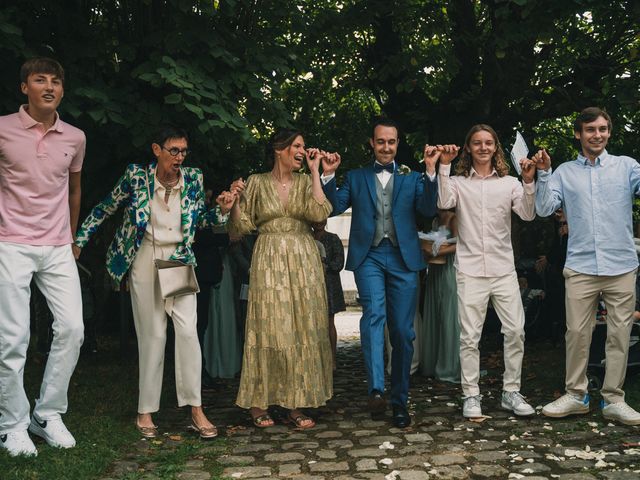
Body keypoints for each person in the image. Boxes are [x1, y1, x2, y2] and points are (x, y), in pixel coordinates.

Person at [74, 126, 234, 439]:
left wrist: (222, 212)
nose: (179, 157)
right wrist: (80, 239)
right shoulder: (136, 177)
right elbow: (106, 206)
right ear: (156, 150)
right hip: (144, 256)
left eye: (184, 151)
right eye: (173, 150)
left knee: (188, 331)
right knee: (153, 335)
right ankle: (145, 411)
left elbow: (201, 220)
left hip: (178, 258)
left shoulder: (193, 179)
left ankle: (196, 408)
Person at [320, 117, 441, 428]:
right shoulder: (357, 177)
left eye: (392, 141)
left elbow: (428, 210)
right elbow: (333, 207)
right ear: (372, 144)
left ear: (397, 144)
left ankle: (400, 400)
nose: (386, 147)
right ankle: (376, 389)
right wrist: (328, 175)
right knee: (373, 316)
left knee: (402, 331)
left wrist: (430, 172)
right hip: (369, 256)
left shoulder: (412, 177)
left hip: (404, 259)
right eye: (381, 141)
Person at [0, 58, 85, 457]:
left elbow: (73, 189)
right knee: (13, 338)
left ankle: (47, 414)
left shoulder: (75, 137)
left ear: (62, 90)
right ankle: (11, 424)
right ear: (24, 88)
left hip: (57, 246)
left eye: (56, 80)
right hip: (9, 242)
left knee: (72, 329)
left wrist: (71, 235)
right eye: (40, 80)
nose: (49, 86)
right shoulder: (2, 130)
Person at [535, 107, 640, 425]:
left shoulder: (627, 167)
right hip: (581, 266)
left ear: (609, 132)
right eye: (591, 130)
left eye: (603, 129)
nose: (598, 135)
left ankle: (613, 399)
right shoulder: (564, 172)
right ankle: (576, 395)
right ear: (579, 134)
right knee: (577, 333)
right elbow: (543, 208)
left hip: (621, 264)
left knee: (620, 334)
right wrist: (543, 172)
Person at [228, 129, 334, 429]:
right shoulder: (257, 182)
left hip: (303, 258)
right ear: (279, 149)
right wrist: (235, 200)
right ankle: (258, 403)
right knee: (268, 326)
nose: (302, 151)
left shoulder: (304, 181)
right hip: (269, 256)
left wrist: (315, 171)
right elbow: (242, 226)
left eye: (303, 146)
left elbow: (319, 213)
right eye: (297, 146)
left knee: (303, 326)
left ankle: (295, 403)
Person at [437, 124, 537, 419]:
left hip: (503, 268)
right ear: (468, 148)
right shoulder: (457, 182)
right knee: (469, 337)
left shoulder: (509, 183)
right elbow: (443, 203)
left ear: (496, 148)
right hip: (469, 269)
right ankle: (471, 395)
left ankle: (511, 392)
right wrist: (444, 166)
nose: (483, 147)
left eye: (489, 143)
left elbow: (528, 214)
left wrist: (529, 182)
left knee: (516, 331)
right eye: (477, 143)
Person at [420, 209, 460, 383]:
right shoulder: (435, 219)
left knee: (449, 316)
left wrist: (438, 252)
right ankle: (433, 363)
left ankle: (450, 367)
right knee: (435, 314)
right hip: (435, 270)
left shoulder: (454, 217)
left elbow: (461, 244)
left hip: (450, 269)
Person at [312, 220, 347, 369]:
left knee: (329, 322)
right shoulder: (306, 238)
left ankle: (332, 358)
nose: (319, 222)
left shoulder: (333, 238)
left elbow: (339, 263)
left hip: (329, 285)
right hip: (310, 284)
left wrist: (324, 264)